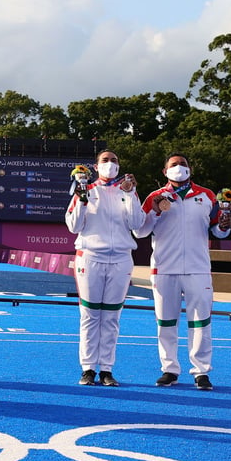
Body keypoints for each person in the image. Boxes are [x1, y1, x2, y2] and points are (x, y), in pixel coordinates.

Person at [133, 152, 231, 390]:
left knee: (201, 322)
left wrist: (223, 226)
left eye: (183, 164)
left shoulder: (207, 195)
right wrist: (155, 211)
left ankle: (201, 372)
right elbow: (140, 231)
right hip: (164, 268)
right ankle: (169, 369)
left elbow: (218, 232)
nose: (179, 167)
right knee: (166, 322)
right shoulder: (156, 196)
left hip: (198, 268)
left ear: (190, 169)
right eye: (174, 164)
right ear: (165, 171)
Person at [65, 151, 145, 387]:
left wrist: (130, 194)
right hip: (90, 257)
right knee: (90, 315)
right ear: (96, 166)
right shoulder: (86, 189)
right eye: (105, 161)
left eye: (115, 160)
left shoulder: (128, 191)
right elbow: (73, 226)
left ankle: (107, 369)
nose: (110, 164)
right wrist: (81, 199)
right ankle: (88, 368)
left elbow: (137, 225)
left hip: (121, 259)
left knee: (111, 316)